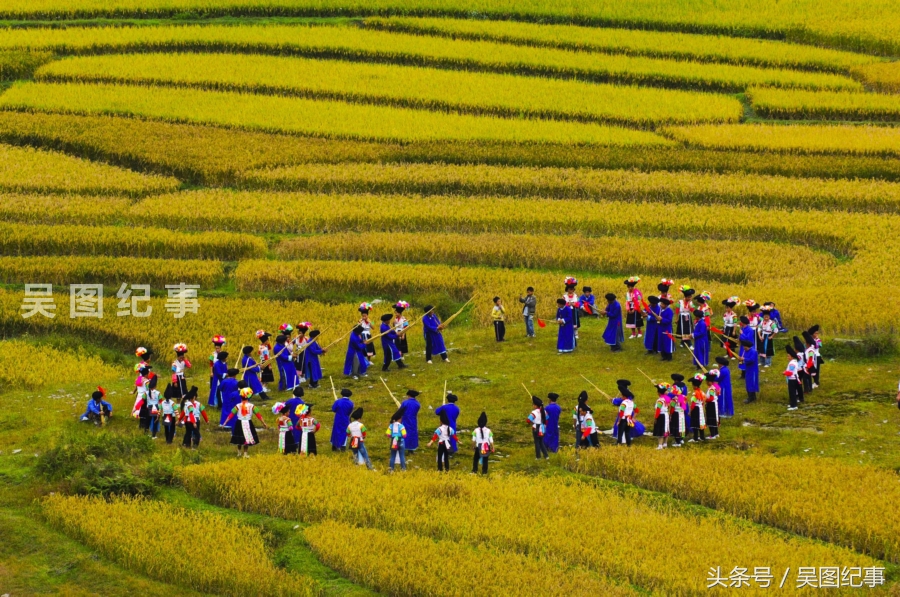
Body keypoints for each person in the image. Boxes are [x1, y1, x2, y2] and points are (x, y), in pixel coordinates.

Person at [221, 388, 269, 457]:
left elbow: (231, 415)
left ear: (241, 396)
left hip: (239, 422)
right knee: (247, 437)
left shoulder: (237, 406)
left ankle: (239, 452)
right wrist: (263, 423)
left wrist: (225, 423)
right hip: (248, 423)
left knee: (239, 438)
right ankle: (245, 453)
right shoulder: (252, 406)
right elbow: (258, 415)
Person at [385, 408, 408, 472]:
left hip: (394, 442)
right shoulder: (401, 426)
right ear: (399, 419)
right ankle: (403, 469)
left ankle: (391, 469)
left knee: (393, 456)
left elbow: (388, 434)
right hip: (401, 442)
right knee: (402, 456)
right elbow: (404, 435)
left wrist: (393, 436)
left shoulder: (391, 426)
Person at [208, 336, 226, 407]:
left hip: (221, 372)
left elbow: (225, 363)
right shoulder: (212, 354)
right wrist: (211, 372)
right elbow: (211, 364)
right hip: (215, 372)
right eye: (216, 348)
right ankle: (213, 402)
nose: (217, 349)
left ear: (220, 348)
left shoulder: (223, 354)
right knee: (213, 387)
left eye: (218, 348)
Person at [688, 374, 707, 442]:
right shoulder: (702, 392)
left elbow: (693, 404)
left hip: (696, 409)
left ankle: (695, 438)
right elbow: (704, 400)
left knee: (695, 423)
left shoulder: (695, 394)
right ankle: (702, 437)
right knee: (701, 422)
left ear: (695, 386)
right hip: (700, 408)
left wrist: (690, 411)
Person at [740, 339, 760, 404]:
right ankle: (751, 396)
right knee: (748, 382)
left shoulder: (753, 352)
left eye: (744, 347)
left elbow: (752, 360)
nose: (744, 348)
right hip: (748, 369)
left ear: (747, 346)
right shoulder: (745, 351)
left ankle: (751, 397)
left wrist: (744, 359)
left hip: (753, 370)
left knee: (751, 383)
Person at [652, 383, 670, 449]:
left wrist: (656, 418)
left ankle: (660, 445)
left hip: (661, 415)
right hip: (666, 414)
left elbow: (658, 410)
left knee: (661, 429)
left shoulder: (660, 401)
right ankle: (665, 443)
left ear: (659, 392)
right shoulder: (667, 399)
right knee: (666, 429)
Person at [667, 383, 686, 447]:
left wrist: (670, 414)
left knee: (676, 427)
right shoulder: (683, 397)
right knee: (682, 426)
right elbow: (684, 407)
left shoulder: (674, 399)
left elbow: (672, 408)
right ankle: (681, 439)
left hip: (676, 414)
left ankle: (677, 442)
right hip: (681, 413)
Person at [784, 347, 802, 411]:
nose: (787, 357)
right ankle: (792, 403)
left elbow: (790, 372)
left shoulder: (792, 363)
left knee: (792, 392)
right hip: (793, 378)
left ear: (792, 357)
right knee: (792, 392)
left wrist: (784, 373)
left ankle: (794, 405)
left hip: (792, 379)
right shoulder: (794, 362)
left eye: (788, 356)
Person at [705, 370, 721, 439]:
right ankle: (716, 433)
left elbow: (711, 398)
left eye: (707, 381)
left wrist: (705, 399)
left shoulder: (711, 389)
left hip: (711, 405)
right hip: (713, 404)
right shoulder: (713, 388)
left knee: (712, 419)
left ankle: (713, 435)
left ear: (709, 382)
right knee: (715, 419)